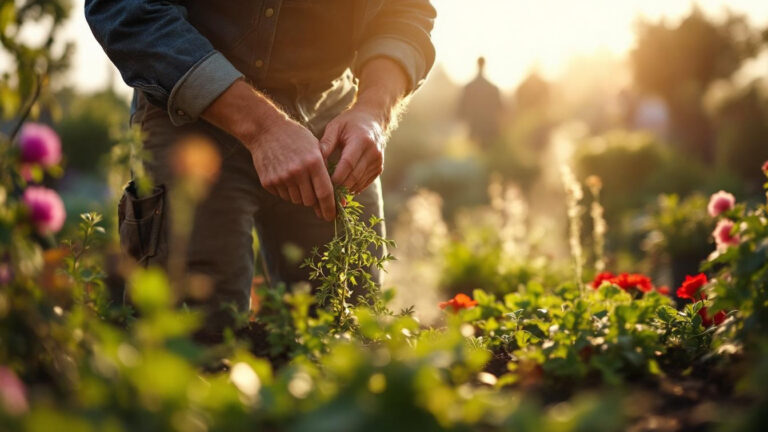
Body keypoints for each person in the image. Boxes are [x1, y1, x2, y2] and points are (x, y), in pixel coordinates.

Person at [85, 0, 436, 339]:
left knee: (351, 322)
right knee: (195, 331)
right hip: (191, 114)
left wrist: (374, 111)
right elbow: (128, 10)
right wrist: (264, 128)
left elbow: (403, 11)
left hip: (330, 119)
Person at [457, 57, 503, 148]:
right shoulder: (493, 88)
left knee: (474, 153)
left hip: (474, 126)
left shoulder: (468, 87)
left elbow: (461, 109)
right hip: (489, 127)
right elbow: (500, 108)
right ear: (484, 65)